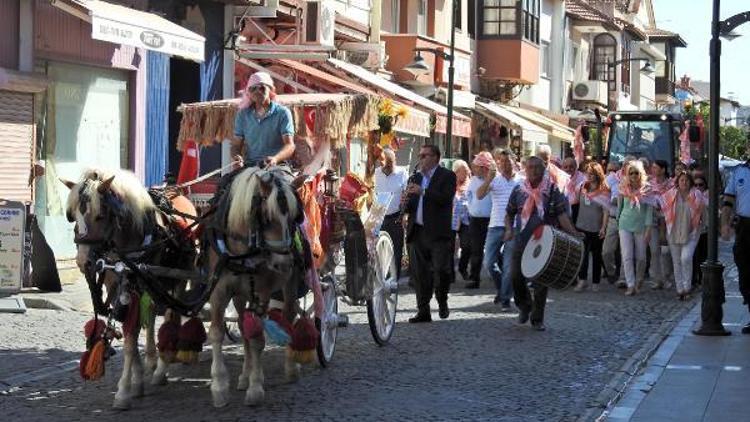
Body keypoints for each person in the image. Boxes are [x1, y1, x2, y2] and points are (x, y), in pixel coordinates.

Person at [505, 156, 579, 331]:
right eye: (529, 167)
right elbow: (509, 213)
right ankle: (524, 306)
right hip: (522, 238)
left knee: (541, 281)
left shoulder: (553, 190)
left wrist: (574, 233)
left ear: (543, 169)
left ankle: (537, 319)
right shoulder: (518, 190)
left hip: (545, 241)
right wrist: (508, 229)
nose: (533, 171)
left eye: (536, 168)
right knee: (515, 275)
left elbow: (562, 215)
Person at [404, 145, 457, 323]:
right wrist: (405, 201)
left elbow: (445, 198)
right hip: (418, 231)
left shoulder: (447, 176)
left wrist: (423, 191)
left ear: (435, 157)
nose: (421, 158)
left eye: (424, 155)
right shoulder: (415, 177)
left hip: (438, 232)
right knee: (419, 274)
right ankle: (423, 310)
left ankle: (442, 300)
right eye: (420, 155)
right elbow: (411, 205)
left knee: (441, 271)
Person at [477, 149, 521, 310]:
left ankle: (505, 299)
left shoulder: (521, 181)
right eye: (502, 162)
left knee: (509, 266)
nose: (505, 165)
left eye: (508, 161)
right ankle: (503, 290)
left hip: (515, 227)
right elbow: (479, 195)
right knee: (489, 263)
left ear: (514, 162)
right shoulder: (494, 180)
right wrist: (488, 179)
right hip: (495, 225)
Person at [232, 71, 295, 168]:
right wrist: (236, 157)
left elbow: (290, 145)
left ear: (270, 90)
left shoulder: (283, 113)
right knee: (226, 183)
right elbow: (236, 145)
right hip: (250, 165)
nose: (258, 91)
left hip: (277, 166)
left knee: (284, 183)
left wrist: (275, 158)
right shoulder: (242, 115)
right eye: (253, 89)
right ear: (249, 93)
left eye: (262, 88)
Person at [662, 172, 707, 300]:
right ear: (678, 182)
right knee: (676, 261)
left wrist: (703, 225)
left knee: (686, 258)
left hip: (691, 231)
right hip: (674, 231)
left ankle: (687, 287)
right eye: (682, 180)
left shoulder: (697, 195)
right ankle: (680, 289)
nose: (684, 183)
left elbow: (703, 211)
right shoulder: (671, 194)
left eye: (687, 180)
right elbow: (661, 207)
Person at [722, 141, 750, 333]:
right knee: (745, 270)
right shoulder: (739, 171)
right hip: (745, 227)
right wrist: (724, 223)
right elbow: (728, 200)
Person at [617, 160, 654, 296]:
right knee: (627, 256)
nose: (633, 175)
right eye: (630, 173)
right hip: (625, 224)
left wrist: (649, 228)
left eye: (636, 173)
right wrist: (617, 221)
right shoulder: (623, 186)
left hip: (641, 226)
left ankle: (639, 279)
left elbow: (650, 211)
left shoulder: (648, 188)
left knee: (641, 257)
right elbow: (620, 206)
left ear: (641, 173)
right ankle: (630, 284)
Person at [574, 162, 610, 292]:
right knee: (582, 255)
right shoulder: (582, 187)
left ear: (598, 174)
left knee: (596, 255)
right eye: (587, 173)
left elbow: (606, 211)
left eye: (592, 174)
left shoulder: (604, 190)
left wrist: (603, 228)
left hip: (596, 227)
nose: (589, 176)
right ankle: (582, 280)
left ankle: (596, 282)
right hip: (582, 225)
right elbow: (575, 202)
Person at [375, 148, 408, 279]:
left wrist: (405, 214)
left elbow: (406, 195)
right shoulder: (376, 173)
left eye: (390, 163)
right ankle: (381, 276)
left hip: (396, 216)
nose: (387, 167)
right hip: (379, 216)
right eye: (385, 164)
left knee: (396, 249)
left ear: (394, 161)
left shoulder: (402, 173)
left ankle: (395, 278)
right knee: (379, 249)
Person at [463, 152, 494, 288]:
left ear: (484, 167)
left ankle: (497, 275)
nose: (474, 169)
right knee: (475, 249)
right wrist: (471, 207)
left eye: (477, 166)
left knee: (494, 249)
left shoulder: (495, 179)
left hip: (492, 220)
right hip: (475, 219)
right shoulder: (474, 180)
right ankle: (474, 278)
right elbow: (469, 195)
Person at [648, 160, 674, 290]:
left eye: (655, 167)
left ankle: (667, 277)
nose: (653, 170)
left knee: (665, 251)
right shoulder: (649, 183)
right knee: (654, 250)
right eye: (652, 167)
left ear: (663, 170)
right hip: (652, 220)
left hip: (668, 220)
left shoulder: (671, 184)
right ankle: (657, 279)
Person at [452, 160, 472, 283]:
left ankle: (462, 268)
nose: (465, 173)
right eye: (462, 171)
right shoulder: (449, 184)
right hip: (451, 219)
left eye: (466, 171)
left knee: (467, 246)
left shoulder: (471, 184)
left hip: (466, 220)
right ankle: (450, 273)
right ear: (456, 172)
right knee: (449, 248)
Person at [602, 161, 622, 283]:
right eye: (609, 170)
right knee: (607, 251)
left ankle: (623, 277)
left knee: (624, 252)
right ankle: (611, 272)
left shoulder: (624, 182)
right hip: (611, 219)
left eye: (614, 170)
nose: (612, 173)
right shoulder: (605, 182)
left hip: (625, 219)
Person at [691, 174, 708, 288]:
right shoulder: (690, 196)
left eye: (700, 185)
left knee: (703, 255)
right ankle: (693, 279)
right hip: (693, 230)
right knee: (693, 255)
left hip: (705, 230)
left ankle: (702, 278)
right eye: (695, 185)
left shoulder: (708, 197)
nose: (698, 187)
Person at [562, 157, 586, 223]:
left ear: (575, 167)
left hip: (578, 209)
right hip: (563, 208)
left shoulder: (583, 178)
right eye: (565, 167)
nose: (568, 169)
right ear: (562, 168)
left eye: (571, 166)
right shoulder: (560, 177)